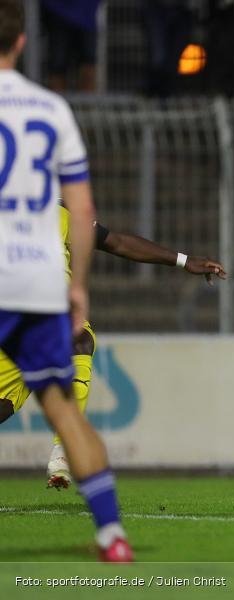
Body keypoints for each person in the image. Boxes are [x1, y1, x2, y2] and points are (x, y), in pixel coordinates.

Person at [0, 0, 128, 561]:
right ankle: (112, 536)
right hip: (36, 278)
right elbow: (80, 207)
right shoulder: (51, 108)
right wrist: (76, 286)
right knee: (62, 409)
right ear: (22, 43)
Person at [0, 206, 227, 489]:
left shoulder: (58, 213)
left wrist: (184, 260)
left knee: (80, 339)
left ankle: (64, 451)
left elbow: (116, 242)